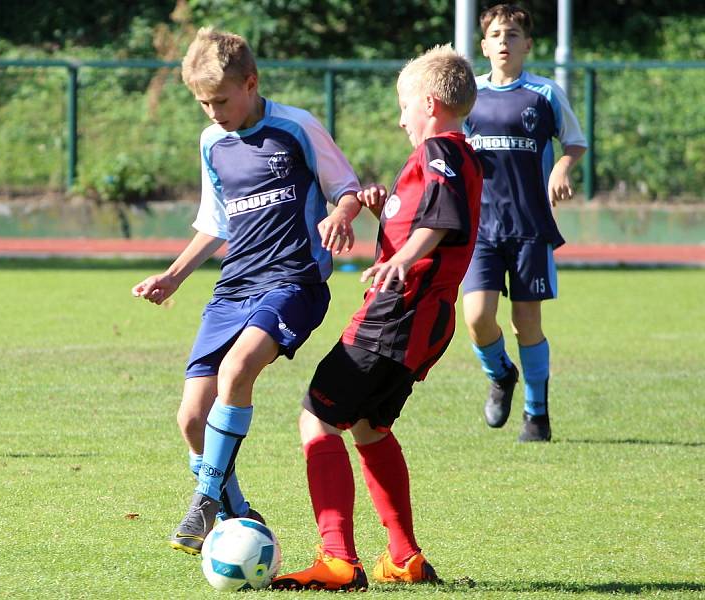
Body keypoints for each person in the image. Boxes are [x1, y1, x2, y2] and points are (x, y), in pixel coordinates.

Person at [131, 26, 363, 554]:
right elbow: (216, 222)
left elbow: (345, 187)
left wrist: (341, 215)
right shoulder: (212, 142)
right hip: (234, 284)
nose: (212, 112)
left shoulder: (297, 127)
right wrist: (173, 276)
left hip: (293, 280)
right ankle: (236, 509)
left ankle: (205, 496)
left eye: (220, 100)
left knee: (238, 370)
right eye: (202, 103)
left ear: (251, 82)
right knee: (191, 417)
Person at [271, 44, 482, 591]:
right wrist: (384, 211)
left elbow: (442, 218)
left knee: (316, 417)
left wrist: (404, 258)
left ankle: (338, 558)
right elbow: (429, 211)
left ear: (431, 103)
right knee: (369, 427)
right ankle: (404, 557)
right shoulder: (455, 154)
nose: (400, 117)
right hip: (423, 319)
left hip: (398, 311)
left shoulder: (440, 149)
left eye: (404, 105)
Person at [462, 3, 587, 442]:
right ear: (483, 44)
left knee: (526, 323)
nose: (503, 42)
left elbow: (574, 142)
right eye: (496, 34)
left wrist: (561, 169)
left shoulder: (545, 93)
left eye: (512, 35)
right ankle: (500, 373)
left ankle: (537, 415)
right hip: (480, 229)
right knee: (477, 317)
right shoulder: (468, 96)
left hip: (530, 227)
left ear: (528, 45)